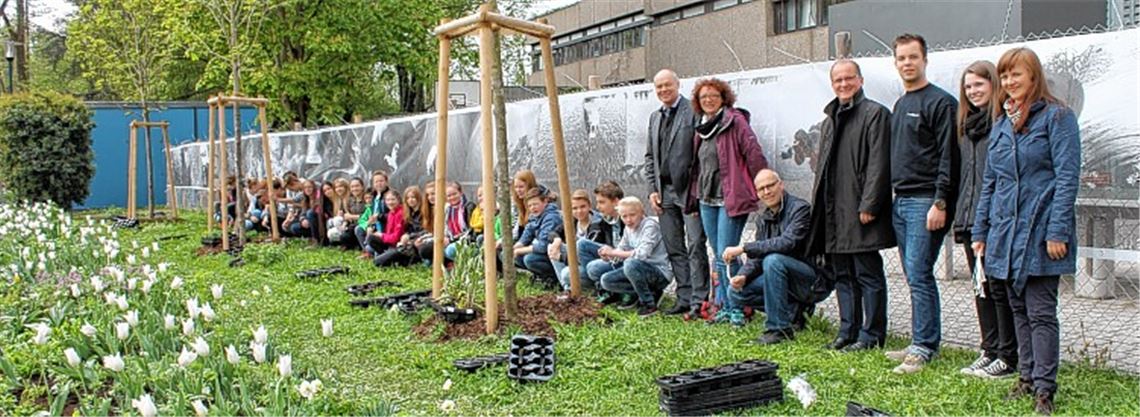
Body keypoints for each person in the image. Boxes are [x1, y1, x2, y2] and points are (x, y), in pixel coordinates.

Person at [972, 47, 1080, 415]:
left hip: (1040, 230)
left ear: (1033, 76)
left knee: (1040, 311)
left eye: (1015, 74)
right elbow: (991, 183)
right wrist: (981, 230)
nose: (1009, 81)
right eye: (1004, 76)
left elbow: (1067, 178)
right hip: (1005, 233)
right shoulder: (1002, 124)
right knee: (1017, 307)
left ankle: (1045, 390)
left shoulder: (1058, 118)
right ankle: (1028, 377)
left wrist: (1057, 231)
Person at [805, 59, 895, 352]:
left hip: (859, 210)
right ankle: (848, 331)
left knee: (868, 274)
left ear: (860, 80)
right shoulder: (829, 120)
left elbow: (879, 164)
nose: (843, 84)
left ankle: (872, 335)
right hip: (834, 212)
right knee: (843, 275)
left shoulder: (875, 114)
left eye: (849, 78)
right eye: (838, 80)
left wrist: (870, 204)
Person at [887, 33, 959, 374]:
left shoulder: (941, 103)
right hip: (901, 201)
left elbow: (949, 156)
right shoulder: (900, 104)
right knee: (912, 274)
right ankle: (920, 339)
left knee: (919, 273)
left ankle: (924, 346)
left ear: (925, 60)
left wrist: (940, 201)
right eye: (902, 58)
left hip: (925, 200)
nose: (907, 63)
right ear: (896, 63)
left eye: (913, 57)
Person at [684, 77, 769, 324]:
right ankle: (726, 304)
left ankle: (737, 308)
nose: (708, 100)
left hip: (730, 198)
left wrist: (762, 183)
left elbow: (753, 151)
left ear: (724, 99)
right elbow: (697, 167)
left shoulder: (735, 120)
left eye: (714, 95)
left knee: (727, 254)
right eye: (703, 97)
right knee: (719, 254)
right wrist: (693, 198)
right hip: (706, 199)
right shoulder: (702, 127)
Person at [953, 60, 1018, 379]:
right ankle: (989, 348)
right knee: (980, 287)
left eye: (979, 84)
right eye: (968, 86)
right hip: (969, 220)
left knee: (998, 288)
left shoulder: (1003, 125)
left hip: (995, 221)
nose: (973, 91)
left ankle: (1008, 354)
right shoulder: (965, 129)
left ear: (993, 84)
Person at [644, 68, 711, 316]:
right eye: (659, 86)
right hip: (663, 193)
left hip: (689, 192)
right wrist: (652, 189)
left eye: (667, 85)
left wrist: (697, 190)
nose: (663, 90)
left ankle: (699, 300)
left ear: (678, 84)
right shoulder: (654, 117)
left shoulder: (693, 111)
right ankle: (684, 297)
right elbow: (649, 157)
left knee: (695, 245)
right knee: (674, 247)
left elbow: (702, 154)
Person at [723, 170, 816, 341]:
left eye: (770, 186)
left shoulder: (800, 209)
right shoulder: (763, 218)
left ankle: (778, 329)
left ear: (781, 185)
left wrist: (744, 248)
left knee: (773, 260)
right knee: (735, 292)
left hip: (808, 279)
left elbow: (787, 243)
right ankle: (793, 311)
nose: (766, 192)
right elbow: (757, 258)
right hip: (779, 276)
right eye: (761, 189)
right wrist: (743, 275)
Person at [596, 196, 672, 317]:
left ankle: (649, 304)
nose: (628, 220)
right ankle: (650, 293)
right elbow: (621, 248)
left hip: (659, 272)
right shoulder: (628, 228)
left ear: (642, 212)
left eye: (632, 215)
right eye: (624, 216)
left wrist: (613, 252)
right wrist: (609, 256)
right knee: (606, 280)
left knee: (630, 263)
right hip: (639, 271)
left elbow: (641, 254)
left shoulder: (650, 225)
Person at [583, 181, 628, 303]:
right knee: (582, 245)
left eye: (602, 202)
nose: (598, 207)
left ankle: (624, 290)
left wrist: (613, 252)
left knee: (593, 268)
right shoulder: (606, 220)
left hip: (627, 260)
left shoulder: (629, 218)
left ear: (616, 202)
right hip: (614, 258)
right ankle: (602, 288)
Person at [548, 189, 599, 293]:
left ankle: (590, 288)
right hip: (575, 259)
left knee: (566, 273)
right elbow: (553, 233)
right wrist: (557, 240)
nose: (579, 211)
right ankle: (567, 289)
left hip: (590, 266)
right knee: (552, 247)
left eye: (583, 207)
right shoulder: (572, 220)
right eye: (575, 208)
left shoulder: (597, 223)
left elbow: (586, 257)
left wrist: (561, 257)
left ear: (589, 206)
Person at [513, 187, 562, 289]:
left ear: (545, 201)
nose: (532, 208)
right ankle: (539, 275)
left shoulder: (551, 217)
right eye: (530, 205)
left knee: (530, 259)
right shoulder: (534, 217)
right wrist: (513, 249)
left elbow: (543, 246)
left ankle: (553, 278)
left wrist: (518, 251)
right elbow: (525, 237)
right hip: (542, 252)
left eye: (535, 204)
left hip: (554, 254)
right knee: (516, 256)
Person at [374, 186, 427, 267]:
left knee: (379, 261)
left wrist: (409, 236)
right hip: (405, 243)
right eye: (408, 198)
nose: (410, 200)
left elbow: (424, 230)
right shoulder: (408, 213)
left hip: (415, 242)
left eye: (413, 197)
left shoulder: (423, 212)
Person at [357, 170, 392, 258]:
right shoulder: (374, 196)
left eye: (381, 181)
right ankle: (367, 252)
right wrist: (370, 226)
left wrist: (379, 217)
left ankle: (376, 251)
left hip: (385, 229)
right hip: (375, 227)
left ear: (386, 182)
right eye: (376, 182)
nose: (379, 184)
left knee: (371, 244)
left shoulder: (390, 196)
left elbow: (393, 216)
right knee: (359, 229)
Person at [366, 189, 406, 256]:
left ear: (398, 200)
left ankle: (385, 255)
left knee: (377, 260)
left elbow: (396, 238)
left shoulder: (401, 213)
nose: (390, 202)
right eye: (388, 200)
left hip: (396, 245)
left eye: (393, 199)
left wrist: (381, 235)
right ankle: (384, 254)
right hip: (388, 242)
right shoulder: (390, 213)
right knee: (370, 241)